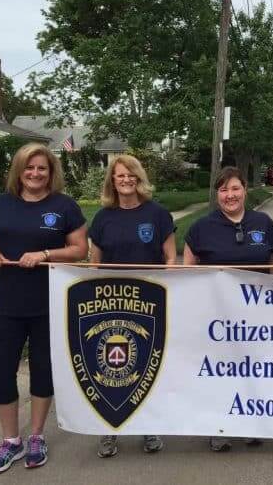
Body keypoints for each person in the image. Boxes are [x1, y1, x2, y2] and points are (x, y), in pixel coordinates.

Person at [0, 143, 88, 474]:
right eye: (29, 167)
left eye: (42, 168)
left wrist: (44, 254)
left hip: (48, 303)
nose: (35, 173)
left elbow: (80, 249)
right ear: (19, 171)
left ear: (51, 172)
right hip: (8, 303)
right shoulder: (0, 204)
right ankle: (11, 441)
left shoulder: (64, 206)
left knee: (43, 369)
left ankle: (37, 436)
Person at [183, 167, 273, 452]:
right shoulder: (201, 228)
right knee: (219, 371)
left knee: (254, 369)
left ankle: (251, 423)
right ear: (217, 194)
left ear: (245, 190)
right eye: (224, 190)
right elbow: (187, 269)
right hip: (217, 318)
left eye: (235, 188)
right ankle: (219, 425)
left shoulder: (263, 222)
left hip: (256, 317)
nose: (230, 195)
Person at [89, 155, 176, 458]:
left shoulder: (158, 214)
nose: (125, 180)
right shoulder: (102, 218)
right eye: (120, 176)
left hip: (149, 304)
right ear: (112, 181)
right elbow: (94, 263)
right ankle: (110, 430)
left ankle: (149, 426)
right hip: (111, 304)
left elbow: (170, 259)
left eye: (131, 176)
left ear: (140, 179)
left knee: (147, 365)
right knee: (112, 366)